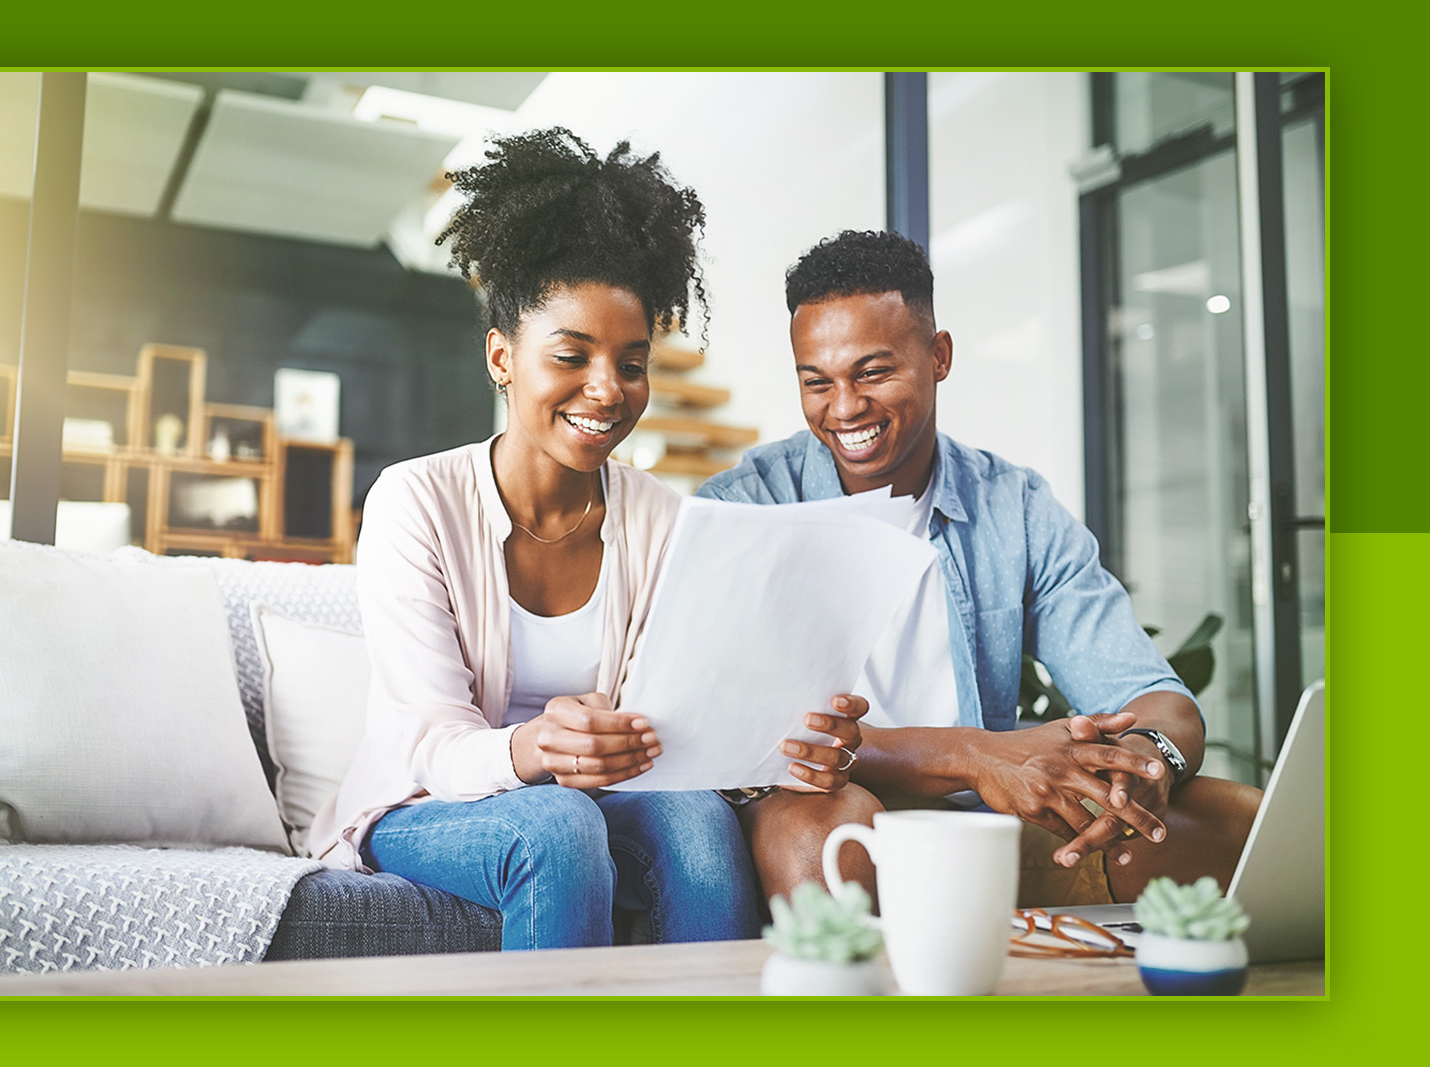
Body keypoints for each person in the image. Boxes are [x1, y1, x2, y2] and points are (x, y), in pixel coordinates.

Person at [306, 129, 862, 950]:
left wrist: (787, 745)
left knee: (701, 827)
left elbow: (682, 719)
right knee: (558, 825)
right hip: (425, 800)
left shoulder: (661, 518)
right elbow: (430, 739)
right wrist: (534, 747)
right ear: (502, 356)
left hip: (607, 792)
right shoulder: (414, 502)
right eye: (572, 354)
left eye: (632, 363)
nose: (608, 389)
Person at [697, 229, 1262, 908]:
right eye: (817, 382)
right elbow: (760, 736)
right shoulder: (745, 507)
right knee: (822, 824)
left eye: (873, 372)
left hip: (981, 823)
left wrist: (1144, 761)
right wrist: (976, 753)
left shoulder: (1012, 505)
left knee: (1231, 825)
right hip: (824, 817)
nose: (843, 408)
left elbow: (1159, 698)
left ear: (939, 356)